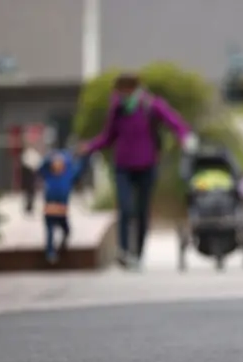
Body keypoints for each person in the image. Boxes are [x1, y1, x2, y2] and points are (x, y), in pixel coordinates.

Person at [79, 73, 198, 270]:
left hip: (147, 165)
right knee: (125, 208)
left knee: (142, 211)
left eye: (126, 91)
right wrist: (89, 147)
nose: (123, 95)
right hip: (123, 166)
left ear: (135, 89)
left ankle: (138, 253)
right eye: (120, 91)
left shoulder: (150, 105)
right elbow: (108, 137)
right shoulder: (117, 109)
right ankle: (124, 251)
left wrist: (185, 136)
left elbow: (173, 121)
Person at [37, 150, 90, 264]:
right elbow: (40, 167)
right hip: (50, 209)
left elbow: (80, 170)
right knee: (50, 231)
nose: (57, 165)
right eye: (55, 162)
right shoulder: (48, 174)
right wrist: (49, 157)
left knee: (66, 229)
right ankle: (50, 252)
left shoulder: (68, 175)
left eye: (60, 162)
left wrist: (85, 156)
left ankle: (63, 242)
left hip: (62, 210)